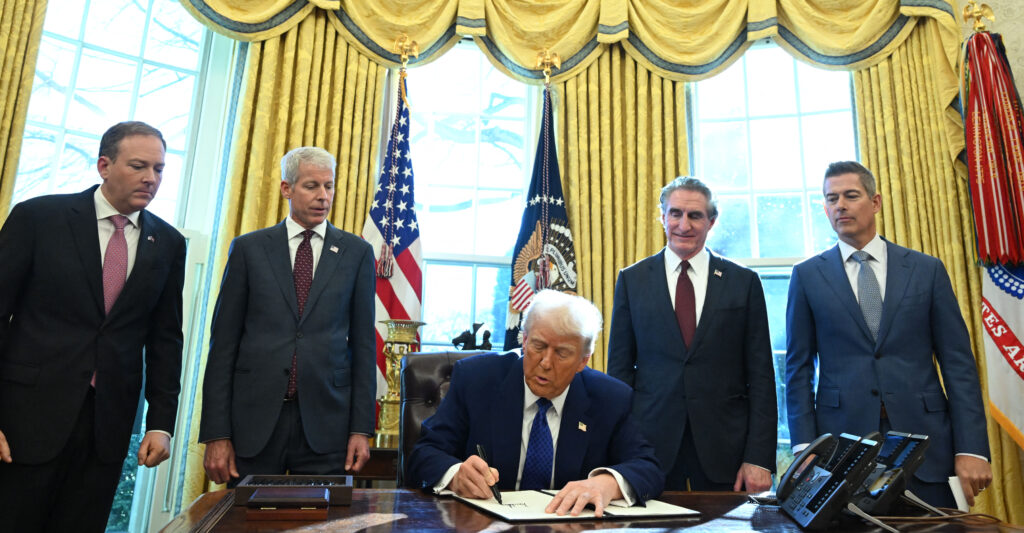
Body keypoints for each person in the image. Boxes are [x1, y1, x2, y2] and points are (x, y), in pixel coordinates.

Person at [0, 121, 186, 531]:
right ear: (104, 165)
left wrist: (160, 422)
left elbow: (166, 340)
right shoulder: (38, 218)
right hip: (24, 420)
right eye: (139, 166)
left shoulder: (168, 243)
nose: (150, 178)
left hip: (107, 427)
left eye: (158, 169)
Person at [785, 161, 993, 507]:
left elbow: (958, 365)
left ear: (876, 201)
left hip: (926, 446)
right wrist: (805, 447)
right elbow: (798, 369)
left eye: (851, 195)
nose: (840, 205)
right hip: (842, 449)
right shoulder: (807, 276)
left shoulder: (926, 270)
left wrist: (971, 447)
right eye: (831, 198)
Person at [199, 147, 376, 484]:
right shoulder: (249, 249)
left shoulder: (357, 253)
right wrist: (216, 434)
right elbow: (223, 346)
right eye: (312, 186)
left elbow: (364, 347)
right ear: (286, 188)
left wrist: (360, 429)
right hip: (254, 422)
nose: (323, 196)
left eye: (329, 186)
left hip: (327, 424)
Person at [406, 290, 664, 517]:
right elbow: (424, 454)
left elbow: (648, 468)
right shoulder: (477, 381)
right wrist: (455, 475)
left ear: (583, 360)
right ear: (525, 340)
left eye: (562, 353)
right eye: (538, 346)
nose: (546, 362)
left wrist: (607, 484)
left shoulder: (610, 398)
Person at [607, 176, 777, 492]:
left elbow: (762, 376)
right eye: (675, 214)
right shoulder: (632, 280)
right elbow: (619, 373)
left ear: (711, 222)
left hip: (726, 450)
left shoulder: (743, 282)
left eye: (695, 215)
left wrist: (759, 457)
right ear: (662, 217)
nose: (684, 224)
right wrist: (619, 448)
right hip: (649, 449)